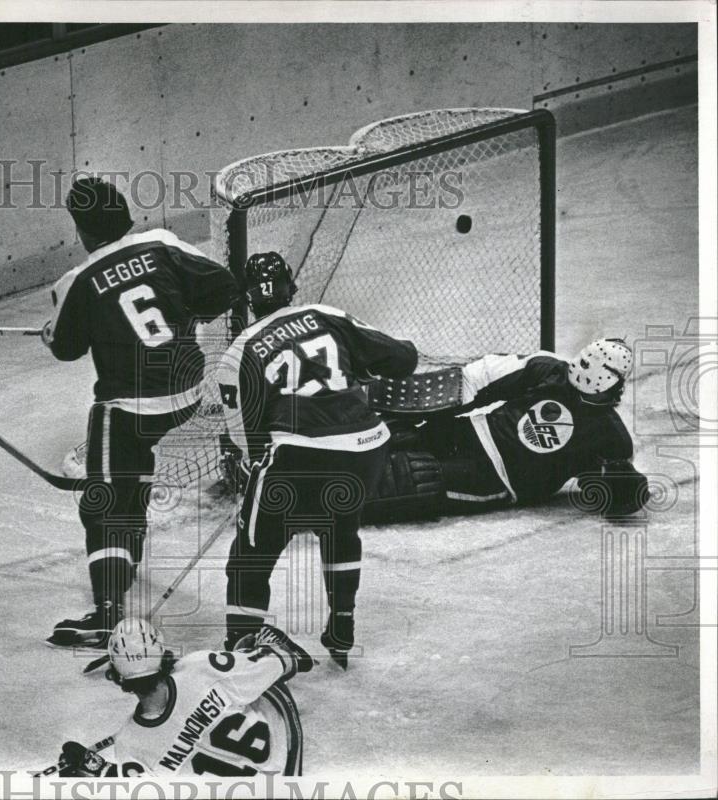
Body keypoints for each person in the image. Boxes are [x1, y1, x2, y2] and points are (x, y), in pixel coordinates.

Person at [42, 177, 240, 648]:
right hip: (188, 393)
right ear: (127, 215)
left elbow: (66, 349)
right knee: (132, 469)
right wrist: (185, 314)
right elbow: (225, 287)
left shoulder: (77, 281)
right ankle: (126, 551)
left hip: (130, 406)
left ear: (82, 230)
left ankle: (108, 613)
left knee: (104, 500)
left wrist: (52, 330)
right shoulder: (163, 244)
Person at [216, 252, 418, 668]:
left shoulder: (238, 352)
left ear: (249, 301)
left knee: (249, 556)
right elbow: (403, 359)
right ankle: (341, 625)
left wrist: (262, 474)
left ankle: (242, 650)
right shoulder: (323, 313)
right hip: (367, 446)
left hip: (296, 454)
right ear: (292, 288)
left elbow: (245, 440)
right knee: (340, 526)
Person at [363, 338, 647, 522]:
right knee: (394, 435)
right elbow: (482, 378)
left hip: (495, 479)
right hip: (471, 432)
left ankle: (325, 499)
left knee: (412, 478)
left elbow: (604, 490)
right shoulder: (548, 369)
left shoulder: (611, 439)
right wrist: (432, 399)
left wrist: (622, 487)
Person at [56, 618, 311, 777]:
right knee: (244, 649)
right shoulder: (199, 666)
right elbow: (291, 660)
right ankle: (251, 649)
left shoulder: (130, 744)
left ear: (118, 677)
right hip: (285, 762)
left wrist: (100, 771)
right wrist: (268, 649)